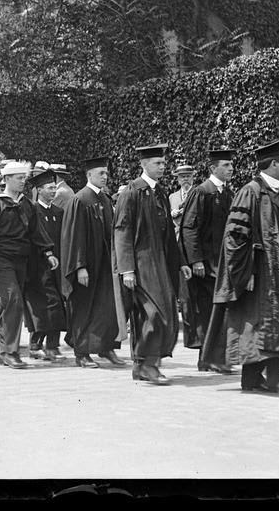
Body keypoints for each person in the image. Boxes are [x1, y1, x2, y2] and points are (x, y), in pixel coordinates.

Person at [201, 138, 279, 395]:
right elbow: (235, 237)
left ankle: (253, 379)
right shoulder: (251, 191)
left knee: (262, 324)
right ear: (273, 164)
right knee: (267, 323)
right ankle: (275, 376)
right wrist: (245, 272)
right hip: (262, 273)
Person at [115, 144, 191, 384]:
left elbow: (169, 232)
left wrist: (180, 262)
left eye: (163, 162)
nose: (162, 167)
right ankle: (148, 364)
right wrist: (126, 268)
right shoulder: (132, 191)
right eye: (157, 163)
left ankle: (144, 364)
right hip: (141, 263)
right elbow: (122, 231)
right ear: (144, 165)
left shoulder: (159, 192)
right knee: (153, 313)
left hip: (161, 262)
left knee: (164, 310)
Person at [0, 161, 60, 369]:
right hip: (1, 260)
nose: (24, 182)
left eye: (24, 178)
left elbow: (36, 232)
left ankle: (5, 351)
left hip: (21, 261)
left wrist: (47, 251)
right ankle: (11, 351)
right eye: (19, 178)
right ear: (6, 180)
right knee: (14, 300)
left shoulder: (26, 205)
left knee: (9, 304)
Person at [60, 156, 127, 370]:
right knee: (83, 309)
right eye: (101, 173)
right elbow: (73, 236)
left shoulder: (105, 200)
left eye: (106, 173)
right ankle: (81, 353)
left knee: (107, 308)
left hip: (105, 266)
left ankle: (106, 347)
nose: (105, 177)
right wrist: (79, 266)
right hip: (87, 266)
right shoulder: (80, 200)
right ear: (89, 175)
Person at [177, 148, 236, 374]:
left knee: (218, 310)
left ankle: (215, 356)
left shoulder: (226, 193)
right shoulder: (202, 192)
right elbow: (189, 228)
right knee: (207, 311)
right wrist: (196, 260)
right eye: (226, 166)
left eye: (231, 166)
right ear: (213, 169)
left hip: (222, 263)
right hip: (206, 264)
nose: (231, 169)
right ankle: (207, 358)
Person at [24, 168, 67, 362]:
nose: (53, 191)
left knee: (57, 303)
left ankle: (52, 345)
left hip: (56, 266)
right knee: (42, 306)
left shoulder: (59, 212)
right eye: (49, 188)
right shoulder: (32, 211)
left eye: (54, 188)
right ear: (39, 190)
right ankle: (35, 345)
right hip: (37, 266)